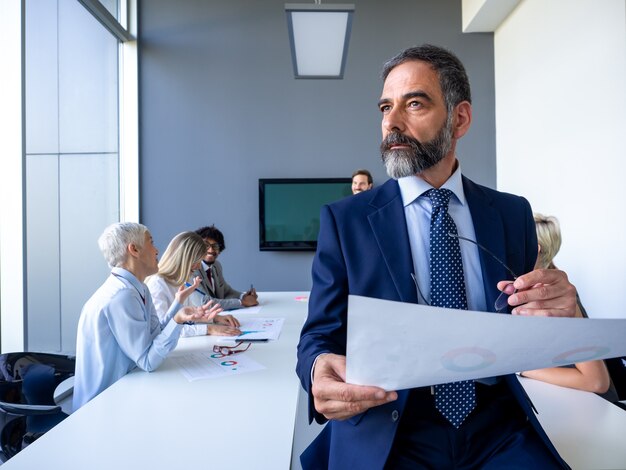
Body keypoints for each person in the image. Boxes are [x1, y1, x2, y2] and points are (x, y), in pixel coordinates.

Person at [296, 44, 578, 469]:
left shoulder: (511, 212)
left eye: (414, 104)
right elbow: (319, 335)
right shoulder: (345, 221)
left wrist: (562, 314)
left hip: (497, 425)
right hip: (391, 425)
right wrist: (318, 368)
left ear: (460, 118)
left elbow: (528, 331)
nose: (391, 122)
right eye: (385, 107)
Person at [73, 223, 222, 410]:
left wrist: (178, 308)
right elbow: (148, 361)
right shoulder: (121, 296)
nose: (157, 249)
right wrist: (177, 320)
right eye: (151, 242)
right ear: (134, 249)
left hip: (124, 392)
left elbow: (155, 333)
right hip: (102, 406)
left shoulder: (139, 287)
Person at [518, 214, 618, 402]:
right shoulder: (533, 288)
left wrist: (522, 369)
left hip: (594, 409)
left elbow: (596, 382)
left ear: (535, 249)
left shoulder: (553, 296)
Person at [146, 231, 242, 337]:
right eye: (197, 261)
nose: (199, 267)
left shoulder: (185, 280)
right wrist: (209, 328)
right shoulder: (157, 284)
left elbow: (186, 319)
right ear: (185, 259)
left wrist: (214, 318)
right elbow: (163, 329)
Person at [193, 225, 258, 310]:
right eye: (206, 245)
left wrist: (244, 296)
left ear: (220, 250)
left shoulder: (216, 265)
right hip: (195, 320)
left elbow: (226, 291)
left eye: (215, 246)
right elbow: (205, 303)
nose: (211, 250)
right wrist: (242, 302)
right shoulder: (192, 270)